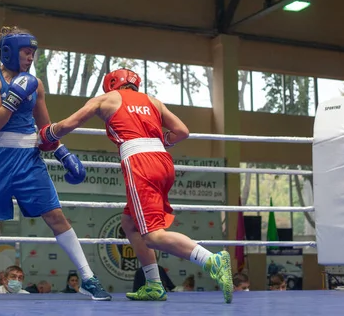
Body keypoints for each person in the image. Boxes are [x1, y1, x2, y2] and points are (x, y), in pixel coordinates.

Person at [0, 26, 111, 301]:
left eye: (33, 53)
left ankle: (88, 277)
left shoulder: (36, 84)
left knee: (56, 216)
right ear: (9, 52)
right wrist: (14, 96)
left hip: (28, 158)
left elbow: (45, 127)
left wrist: (63, 153)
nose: (30, 58)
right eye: (26, 52)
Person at [39, 68, 234, 303]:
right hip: (163, 161)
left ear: (111, 84)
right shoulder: (153, 101)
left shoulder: (106, 99)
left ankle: (212, 260)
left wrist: (47, 134)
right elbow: (182, 131)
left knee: (152, 236)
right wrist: (162, 142)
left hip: (140, 163)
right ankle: (153, 284)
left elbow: (70, 123)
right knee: (129, 223)